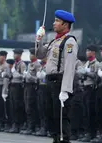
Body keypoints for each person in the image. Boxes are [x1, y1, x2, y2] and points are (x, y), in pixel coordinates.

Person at [35, 10, 78, 143]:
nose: (54, 23)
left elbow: (70, 67)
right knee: (51, 116)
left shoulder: (69, 42)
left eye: (57, 21)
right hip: (51, 82)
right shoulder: (55, 41)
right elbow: (40, 54)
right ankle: (55, 140)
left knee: (61, 118)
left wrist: (65, 89)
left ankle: (63, 140)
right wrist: (38, 40)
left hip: (60, 83)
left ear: (65, 24)